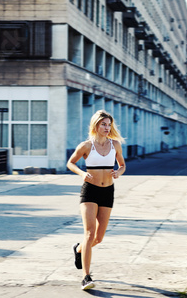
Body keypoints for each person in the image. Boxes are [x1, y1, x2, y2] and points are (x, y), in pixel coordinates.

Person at [66, 110, 126, 290]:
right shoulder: (86, 146)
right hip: (90, 192)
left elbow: (122, 165)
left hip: (107, 191)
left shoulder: (115, 145)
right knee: (90, 233)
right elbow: (70, 162)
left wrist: (118, 172)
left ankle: (78, 249)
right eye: (103, 124)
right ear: (96, 125)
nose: (107, 128)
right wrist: (82, 173)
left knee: (98, 238)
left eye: (109, 125)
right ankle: (86, 277)